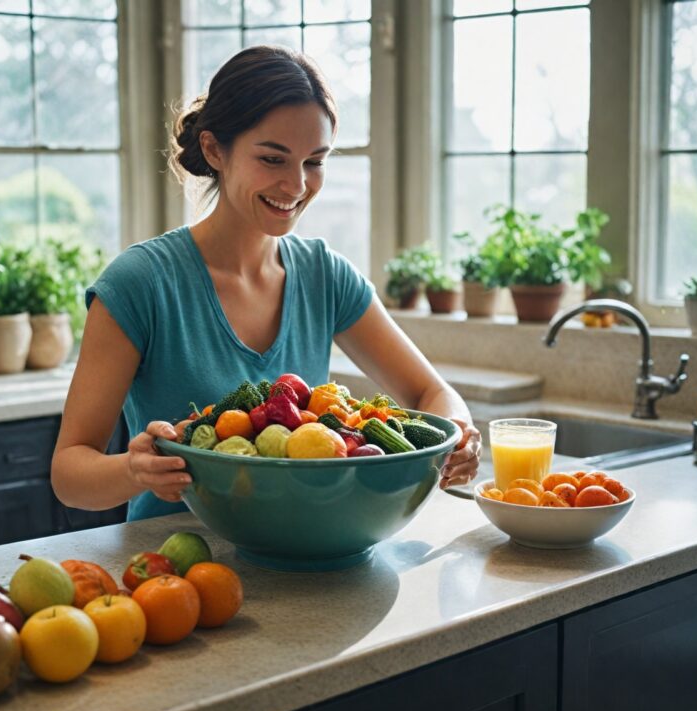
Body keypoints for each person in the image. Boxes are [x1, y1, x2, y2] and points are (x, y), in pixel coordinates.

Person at [51, 45, 481, 522]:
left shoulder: (325, 275)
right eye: (273, 159)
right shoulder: (141, 283)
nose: (296, 186)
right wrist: (135, 470)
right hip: (181, 571)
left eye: (314, 162)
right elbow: (70, 473)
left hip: (309, 554)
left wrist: (459, 431)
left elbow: (432, 396)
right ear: (215, 150)